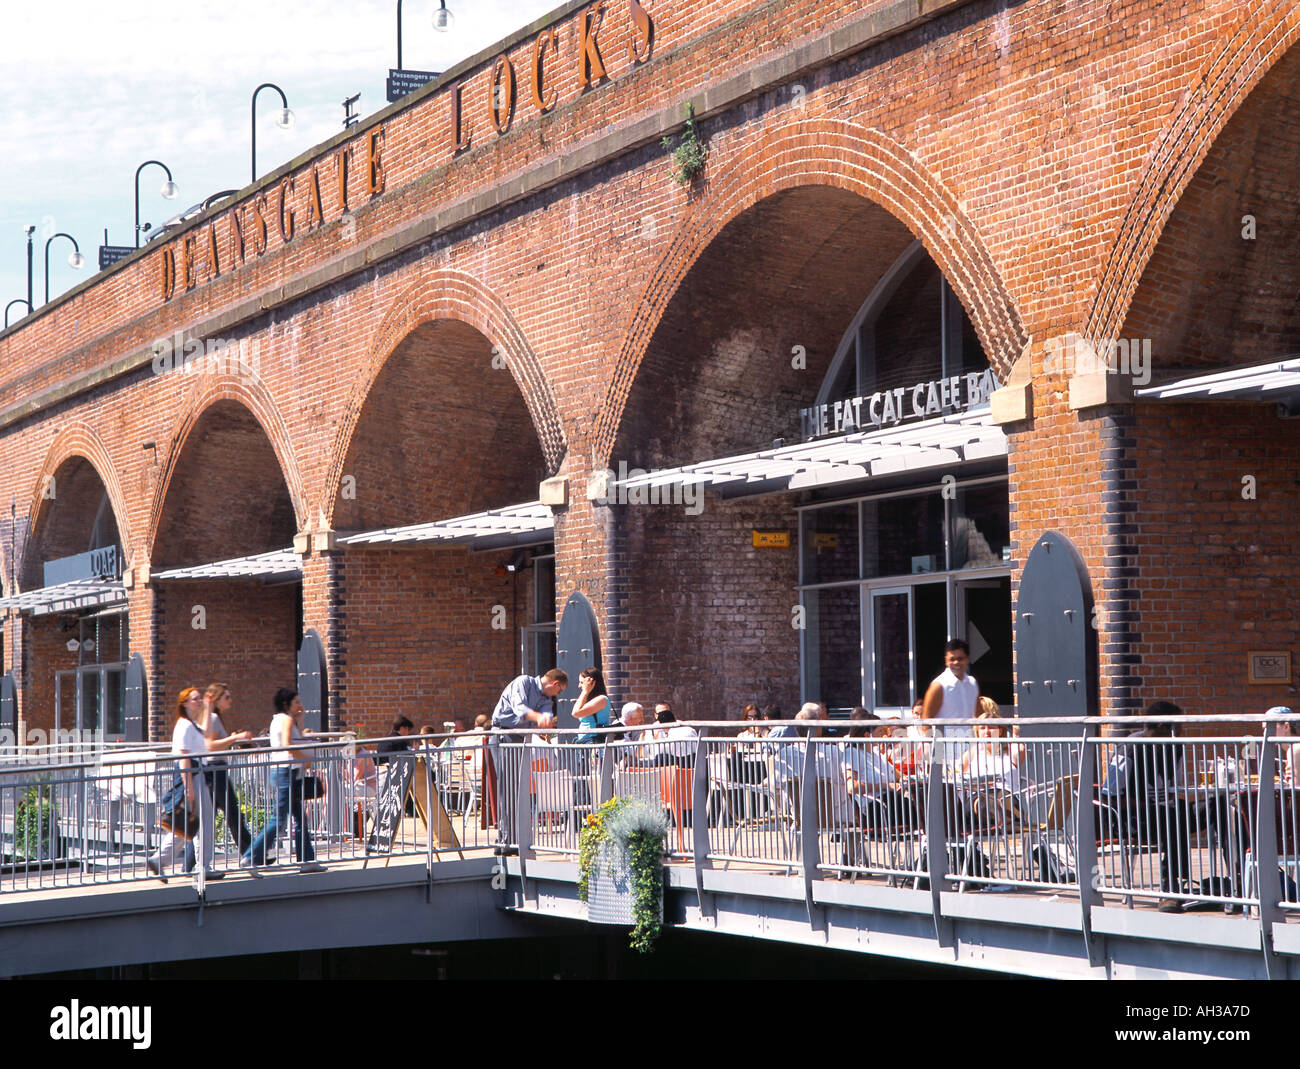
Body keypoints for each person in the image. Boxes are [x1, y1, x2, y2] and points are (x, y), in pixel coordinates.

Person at [241, 688, 325, 876]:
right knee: (278, 820)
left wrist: (301, 721)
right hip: (286, 771)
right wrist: (305, 758)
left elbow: (297, 740)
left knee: (299, 819)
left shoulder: (278, 720)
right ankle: (250, 856)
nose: (300, 705)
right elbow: (288, 744)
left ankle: (308, 860)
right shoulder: (286, 720)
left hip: (285, 771)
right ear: (287, 704)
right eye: (296, 702)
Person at [183, 682, 255, 877]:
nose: (230, 701)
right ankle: (252, 855)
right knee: (232, 813)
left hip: (214, 770)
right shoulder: (212, 718)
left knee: (211, 819)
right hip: (216, 771)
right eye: (227, 697)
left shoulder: (211, 718)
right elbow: (210, 745)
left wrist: (232, 739)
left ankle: (188, 865)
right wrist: (235, 738)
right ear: (216, 699)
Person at [485, 669, 566, 839]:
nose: (556, 695)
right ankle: (508, 838)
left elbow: (546, 715)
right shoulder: (524, 682)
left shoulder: (545, 699)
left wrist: (546, 721)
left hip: (521, 738)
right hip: (504, 735)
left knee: (517, 787)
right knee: (508, 787)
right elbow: (519, 708)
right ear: (555, 684)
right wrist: (539, 718)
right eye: (559, 691)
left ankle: (512, 837)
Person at [148, 688, 215, 885]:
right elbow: (184, 757)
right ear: (184, 703)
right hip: (192, 775)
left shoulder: (191, 725)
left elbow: (207, 735)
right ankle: (202, 866)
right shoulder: (184, 726)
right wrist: (189, 787)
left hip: (196, 774)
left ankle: (159, 859)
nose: (198, 701)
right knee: (202, 822)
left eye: (199, 698)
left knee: (188, 824)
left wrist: (209, 707)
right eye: (195, 699)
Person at [921, 639, 979, 764]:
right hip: (945, 752)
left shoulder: (972, 683)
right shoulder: (939, 685)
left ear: (967, 659)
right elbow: (925, 721)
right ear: (946, 660)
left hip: (969, 751)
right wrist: (936, 755)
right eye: (952, 659)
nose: (956, 662)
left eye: (960, 658)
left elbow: (979, 716)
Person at [573, 667, 611, 744]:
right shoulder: (588, 700)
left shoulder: (601, 699)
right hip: (584, 740)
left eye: (582, 682)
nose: (579, 686)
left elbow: (575, 713)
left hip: (594, 740)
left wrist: (585, 692)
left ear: (592, 683)